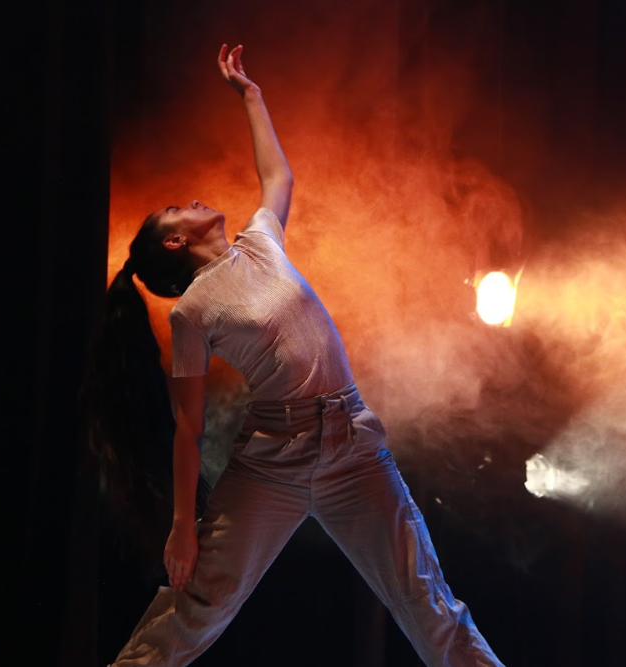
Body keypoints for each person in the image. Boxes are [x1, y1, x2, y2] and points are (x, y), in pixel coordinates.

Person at [100, 43, 506, 667]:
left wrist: (252, 98)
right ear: (177, 240)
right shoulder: (192, 312)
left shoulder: (260, 243)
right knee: (197, 607)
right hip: (273, 462)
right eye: (175, 209)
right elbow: (188, 427)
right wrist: (184, 525)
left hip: (352, 446)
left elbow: (278, 179)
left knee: (428, 600)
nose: (192, 199)